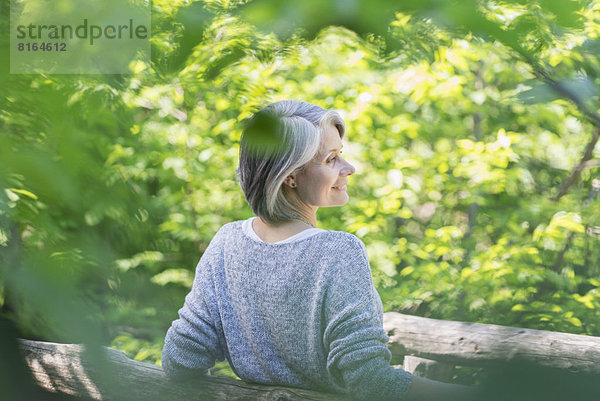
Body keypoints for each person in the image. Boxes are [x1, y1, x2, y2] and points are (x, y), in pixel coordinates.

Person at [161, 100, 476, 400]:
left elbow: (179, 359)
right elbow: (370, 381)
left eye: (341, 154)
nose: (349, 167)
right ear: (291, 177)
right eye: (331, 159)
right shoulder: (338, 252)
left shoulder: (226, 243)